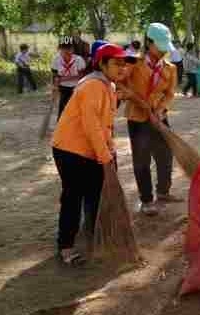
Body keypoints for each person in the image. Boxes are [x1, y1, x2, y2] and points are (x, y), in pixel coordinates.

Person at [52, 43, 129, 266]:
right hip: (70, 149)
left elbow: (105, 125)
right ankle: (65, 246)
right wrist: (105, 156)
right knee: (73, 197)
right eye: (116, 64)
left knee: (96, 193)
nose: (121, 68)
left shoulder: (109, 86)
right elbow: (91, 125)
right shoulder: (92, 86)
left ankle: (94, 235)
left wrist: (109, 151)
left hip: (91, 148)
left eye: (123, 64)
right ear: (102, 64)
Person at [123, 23, 179, 216]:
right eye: (160, 46)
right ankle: (146, 200)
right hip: (137, 118)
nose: (163, 51)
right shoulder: (132, 64)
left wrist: (161, 110)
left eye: (166, 47)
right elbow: (120, 86)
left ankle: (163, 191)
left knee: (165, 156)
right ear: (148, 42)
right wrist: (133, 98)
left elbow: (170, 94)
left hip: (160, 117)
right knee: (141, 160)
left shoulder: (170, 68)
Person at [52, 37, 87, 119]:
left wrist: (63, 79)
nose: (66, 50)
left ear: (73, 49)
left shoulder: (78, 60)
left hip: (77, 87)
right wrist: (54, 87)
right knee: (63, 109)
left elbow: (82, 76)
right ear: (59, 49)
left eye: (69, 48)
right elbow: (55, 76)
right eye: (63, 48)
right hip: (63, 88)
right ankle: (61, 127)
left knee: (77, 108)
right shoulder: (56, 60)